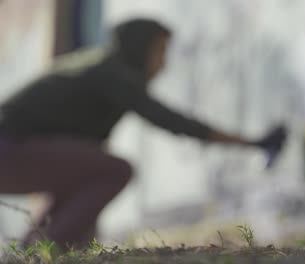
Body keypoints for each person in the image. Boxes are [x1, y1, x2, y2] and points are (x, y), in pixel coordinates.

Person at [0, 19, 286, 249]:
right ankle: (44, 252)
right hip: (8, 150)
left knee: (87, 171)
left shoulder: (101, 67)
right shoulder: (114, 75)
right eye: (161, 51)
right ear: (141, 48)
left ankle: (33, 251)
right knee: (115, 170)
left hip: (13, 150)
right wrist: (253, 143)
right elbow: (173, 121)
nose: (164, 63)